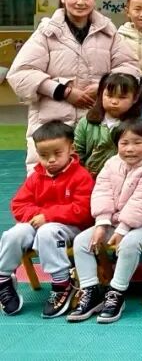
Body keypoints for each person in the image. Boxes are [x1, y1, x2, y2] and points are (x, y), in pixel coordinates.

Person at [8, 0, 140, 173]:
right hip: (52, 124)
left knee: (99, 180)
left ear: (94, 0)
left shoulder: (108, 32)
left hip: (97, 123)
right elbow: (20, 73)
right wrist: (63, 91)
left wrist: (104, 86)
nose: (80, 2)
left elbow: (130, 67)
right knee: (49, 180)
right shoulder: (46, 33)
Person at [68, 120, 142, 323]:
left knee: (129, 244)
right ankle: (90, 291)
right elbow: (102, 192)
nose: (130, 149)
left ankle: (116, 293)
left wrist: (122, 230)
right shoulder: (112, 163)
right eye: (124, 143)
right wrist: (101, 223)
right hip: (115, 221)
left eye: (137, 142)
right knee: (82, 241)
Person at [0, 121, 93, 318]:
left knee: (47, 231)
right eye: (43, 155)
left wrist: (49, 216)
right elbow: (18, 205)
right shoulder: (36, 177)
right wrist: (37, 215)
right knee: (13, 234)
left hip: (71, 227)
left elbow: (84, 210)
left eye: (57, 153)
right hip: (38, 222)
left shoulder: (81, 176)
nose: (50, 160)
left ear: (71, 149)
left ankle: (62, 284)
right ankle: (3, 278)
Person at [75, 72, 142, 176]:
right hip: (89, 176)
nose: (114, 101)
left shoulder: (140, 124)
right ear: (101, 94)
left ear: (135, 98)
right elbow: (77, 152)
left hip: (125, 176)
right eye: (109, 96)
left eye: (122, 97)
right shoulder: (86, 122)